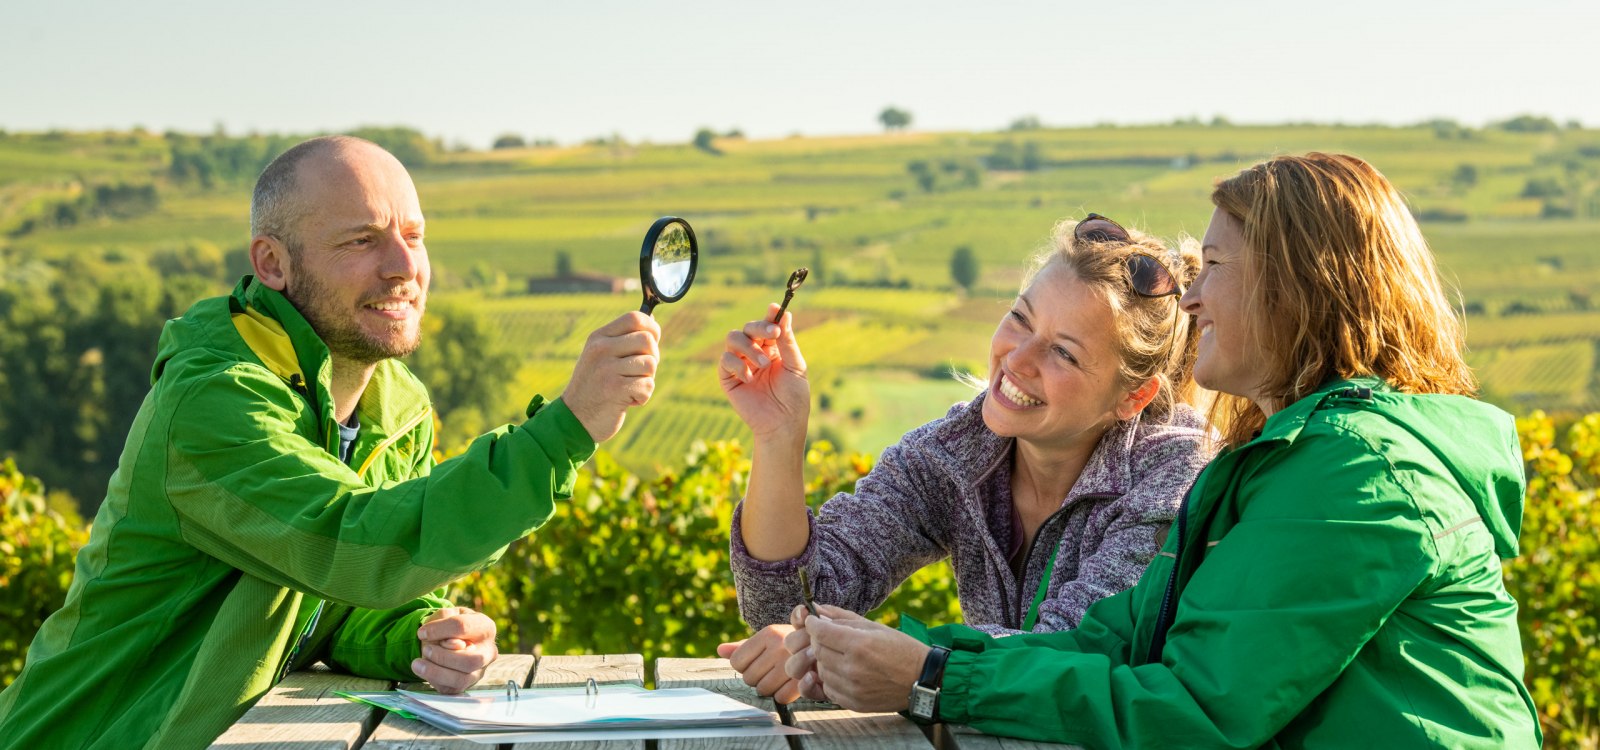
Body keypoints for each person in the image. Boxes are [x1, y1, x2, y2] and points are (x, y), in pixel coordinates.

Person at [778, 153, 1542, 748]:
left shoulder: (1358, 474)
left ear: (1298, 289)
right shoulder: (1286, 460)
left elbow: (1201, 712)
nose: (1192, 298)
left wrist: (935, 678)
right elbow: (1119, 638)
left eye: (1215, 268)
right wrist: (898, 652)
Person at [0, 136, 661, 749]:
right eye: (362, 241)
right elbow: (352, 543)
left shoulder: (398, 405)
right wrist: (566, 428)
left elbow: (330, 604)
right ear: (273, 264)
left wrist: (414, 636)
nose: (403, 266)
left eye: (413, 236)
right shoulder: (213, 401)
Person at [715, 216, 1215, 702]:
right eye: (1021, 318)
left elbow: (1075, 651)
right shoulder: (955, 450)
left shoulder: (1174, 475)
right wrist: (779, 436)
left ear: (1134, 397)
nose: (1017, 360)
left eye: (1063, 353)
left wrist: (899, 662)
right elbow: (785, 607)